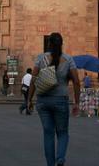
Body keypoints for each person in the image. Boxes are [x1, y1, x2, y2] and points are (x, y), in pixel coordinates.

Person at [28, 32, 81, 166]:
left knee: (48, 134)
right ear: (61, 44)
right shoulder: (68, 59)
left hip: (43, 101)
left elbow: (33, 80)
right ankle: (60, 158)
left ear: (48, 44)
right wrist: (76, 103)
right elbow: (76, 81)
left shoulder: (41, 58)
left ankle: (51, 164)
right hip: (60, 100)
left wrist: (29, 100)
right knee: (62, 132)